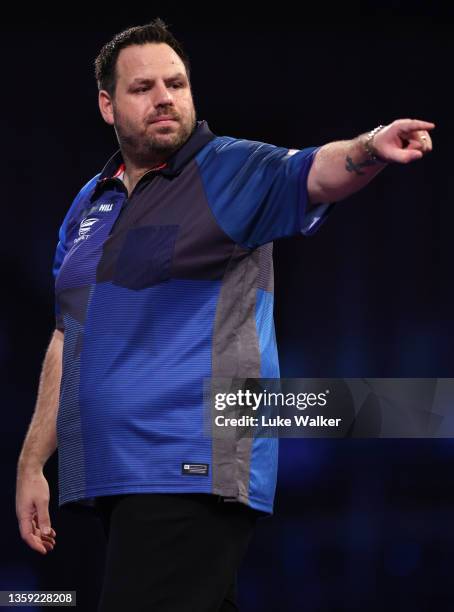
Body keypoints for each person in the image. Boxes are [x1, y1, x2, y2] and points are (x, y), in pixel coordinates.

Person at [15, 18, 434, 612]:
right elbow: (66, 335)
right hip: (108, 478)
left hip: (190, 465)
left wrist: (371, 146)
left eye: (176, 83)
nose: (165, 97)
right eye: (144, 88)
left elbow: (314, 170)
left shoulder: (230, 171)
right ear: (108, 105)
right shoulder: (88, 203)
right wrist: (35, 460)